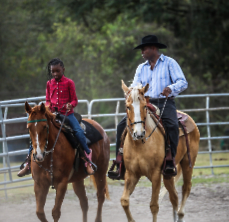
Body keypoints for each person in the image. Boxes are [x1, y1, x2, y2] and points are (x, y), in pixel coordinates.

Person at [108, 34, 188, 179]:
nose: (142, 52)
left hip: (164, 102)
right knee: (122, 126)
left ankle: (170, 160)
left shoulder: (170, 63)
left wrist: (170, 88)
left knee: (171, 125)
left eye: (144, 49)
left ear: (153, 48)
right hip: (145, 103)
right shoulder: (141, 68)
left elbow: (182, 82)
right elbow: (135, 85)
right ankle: (121, 163)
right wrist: (130, 93)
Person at [17, 58, 94, 177]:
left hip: (68, 114)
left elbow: (75, 100)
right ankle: (28, 163)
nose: (55, 74)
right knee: (38, 133)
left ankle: (87, 159)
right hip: (52, 114)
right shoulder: (49, 83)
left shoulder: (69, 83)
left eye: (58, 71)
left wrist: (71, 105)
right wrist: (47, 107)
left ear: (63, 69)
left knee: (78, 132)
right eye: (53, 71)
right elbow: (47, 100)